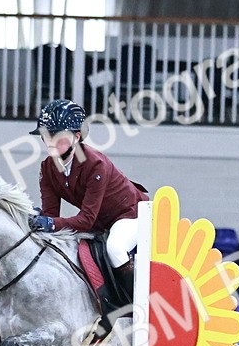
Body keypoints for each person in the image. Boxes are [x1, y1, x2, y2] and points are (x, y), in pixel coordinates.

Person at [27, 99, 148, 297]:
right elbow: (51, 215)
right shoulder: (47, 168)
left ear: (76, 136)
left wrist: (49, 223)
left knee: (116, 248)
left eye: (57, 135)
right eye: (46, 135)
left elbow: (85, 220)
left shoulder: (95, 164)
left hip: (130, 214)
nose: (49, 141)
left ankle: (140, 303)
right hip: (100, 222)